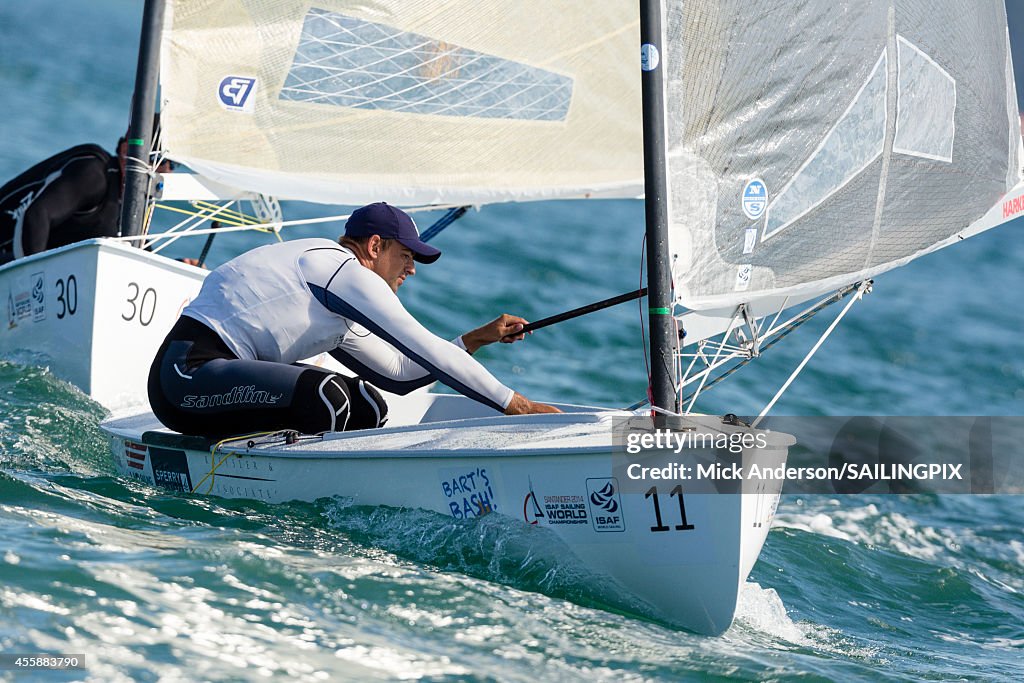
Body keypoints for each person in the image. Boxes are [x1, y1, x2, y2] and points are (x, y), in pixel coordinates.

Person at [148, 202, 560, 438]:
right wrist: (517, 406)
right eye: (407, 256)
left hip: (217, 382)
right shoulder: (339, 270)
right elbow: (422, 345)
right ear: (375, 246)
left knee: (367, 405)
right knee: (328, 396)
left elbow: (399, 375)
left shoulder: (338, 301)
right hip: (183, 377)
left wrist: (476, 338)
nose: (412, 269)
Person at [0, 141, 126, 264]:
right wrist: (40, 278)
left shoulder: (138, 211)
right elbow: (37, 215)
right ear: (125, 150)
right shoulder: (94, 174)